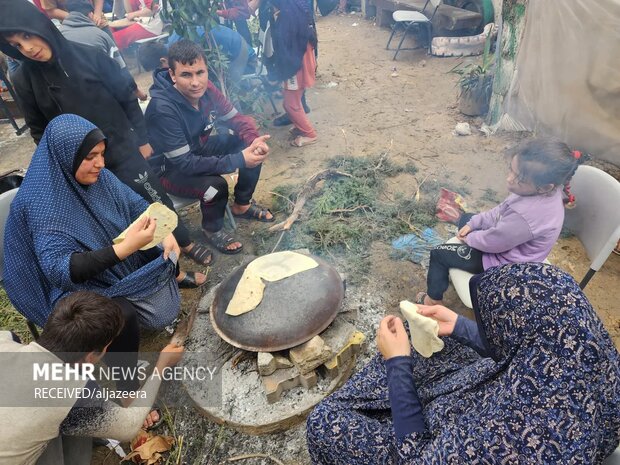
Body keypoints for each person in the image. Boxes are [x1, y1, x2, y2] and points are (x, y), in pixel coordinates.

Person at [307, 262, 620, 464]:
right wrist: (459, 325)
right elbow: (517, 347)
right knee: (414, 334)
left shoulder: (502, 442)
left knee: (325, 421)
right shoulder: (587, 357)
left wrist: (397, 364)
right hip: (488, 396)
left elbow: (416, 456)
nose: (490, 331)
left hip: (435, 442)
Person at [0, 0, 214, 268]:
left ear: (40, 25)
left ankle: (185, 241)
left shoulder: (90, 56)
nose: (27, 48)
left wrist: (143, 139)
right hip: (83, 163)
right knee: (117, 216)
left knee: (153, 197)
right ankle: (157, 263)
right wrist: (62, 167)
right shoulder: (24, 80)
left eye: (27, 35)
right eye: (17, 44)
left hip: (122, 148)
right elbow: (39, 129)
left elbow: (126, 96)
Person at [2, 114, 192, 334]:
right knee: (120, 312)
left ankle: (169, 283)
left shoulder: (101, 177)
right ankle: (120, 361)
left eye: (102, 154)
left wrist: (165, 233)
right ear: (67, 156)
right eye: (91, 156)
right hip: (55, 287)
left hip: (104, 251)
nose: (100, 163)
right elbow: (59, 270)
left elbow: (137, 206)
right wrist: (126, 247)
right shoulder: (42, 203)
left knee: (163, 248)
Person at [0, 291, 184, 465]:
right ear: (91, 355)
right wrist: (161, 366)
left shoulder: (5, 339)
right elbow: (129, 426)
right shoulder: (72, 392)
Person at [417, 138, 584, 306]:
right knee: (467, 219)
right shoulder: (537, 192)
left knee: (439, 255)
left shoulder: (526, 216)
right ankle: (459, 255)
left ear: (546, 187)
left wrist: (469, 239)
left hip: (505, 265)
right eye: (511, 170)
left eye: (519, 177)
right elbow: (501, 210)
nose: (509, 179)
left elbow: (495, 242)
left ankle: (432, 301)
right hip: (510, 245)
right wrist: (474, 224)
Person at [145, 40, 274, 254]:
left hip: (198, 150)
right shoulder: (163, 109)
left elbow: (237, 119)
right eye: (186, 75)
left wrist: (254, 141)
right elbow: (185, 164)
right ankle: (212, 229)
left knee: (250, 147)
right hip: (170, 170)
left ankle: (242, 204)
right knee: (216, 186)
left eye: (200, 72)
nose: (196, 82)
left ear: (206, 70)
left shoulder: (207, 90)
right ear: (172, 75)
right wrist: (239, 160)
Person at [269, 0, 318, 147]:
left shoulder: (288, 17)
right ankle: (300, 126)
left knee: (290, 103)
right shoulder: (294, 8)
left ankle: (310, 134)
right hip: (300, 57)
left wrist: (282, 73)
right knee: (292, 100)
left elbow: (288, 50)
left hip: (295, 63)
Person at [138, 25, 257, 85]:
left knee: (226, 89)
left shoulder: (181, 49)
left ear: (163, 60)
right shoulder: (175, 37)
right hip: (232, 47)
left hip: (241, 52)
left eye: (159, 68)